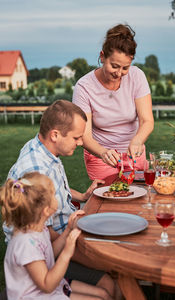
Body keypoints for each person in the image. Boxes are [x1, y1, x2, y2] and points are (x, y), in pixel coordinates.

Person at [3, 100, 121, 299]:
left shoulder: (42, 149)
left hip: (56, 238)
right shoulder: (36, 170)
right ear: (55, 135)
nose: (81, 142)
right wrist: (85, 249)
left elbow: (57, 188)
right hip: (42, 255)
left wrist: (83, 196)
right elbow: (46, 234)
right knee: (110, 278)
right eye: (77, 137)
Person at [0, 172, 113, 300]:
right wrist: (67, 251)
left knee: (104, 295)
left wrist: (67, 231)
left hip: (49, 287)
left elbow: (50, 253)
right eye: (54, 195)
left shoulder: (38, 228)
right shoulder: (26, 244)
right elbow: (46, 285)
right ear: (46, 210)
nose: (58, 199)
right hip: (36, 295)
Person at [72, 23, 154, 180]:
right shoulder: (84, 87)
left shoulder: (137, 77)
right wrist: (103, 152)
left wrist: (137, 141)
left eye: (125, 68)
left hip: (134, 154)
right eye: (114, 66)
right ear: (102, 56)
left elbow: (147, 121)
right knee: (109, 198)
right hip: (101, 156)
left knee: (139, 198)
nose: (119, 73)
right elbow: (85, 136)